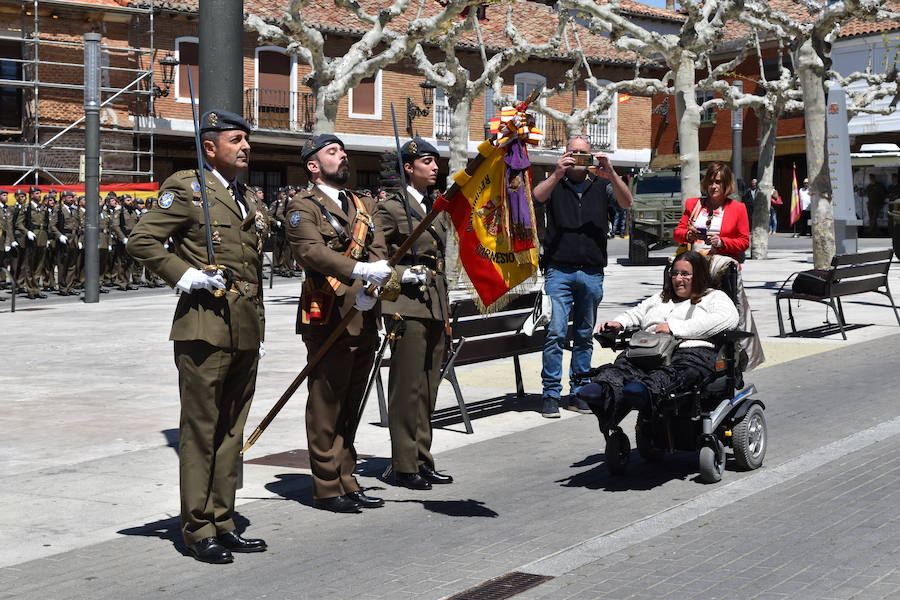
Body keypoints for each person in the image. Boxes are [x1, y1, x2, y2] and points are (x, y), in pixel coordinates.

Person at [127, 109, 267, 564]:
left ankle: (223, 519)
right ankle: (197, 526)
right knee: (201, 430)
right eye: (235, 139)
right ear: (210, 147)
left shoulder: (245, 195)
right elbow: (142, 241)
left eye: (247, 139)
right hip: (204, 325)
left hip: (245, 324)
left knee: (231, 429)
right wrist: (185, 276)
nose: (245, 146)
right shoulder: (187, 189)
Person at [286, 134, 391, 513]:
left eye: (343, 151)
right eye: (332, 152)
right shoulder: (304, 205)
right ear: (313, 165)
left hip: (365, 312)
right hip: (327, 312)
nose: (342, 155)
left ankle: (348, 476)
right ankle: (327, 485)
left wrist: (373, 284)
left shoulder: (362, 204)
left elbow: (378, 250)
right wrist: (359, 270)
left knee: (351, 402)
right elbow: (310, 251)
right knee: (326, 401)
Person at [532, 134, 633, 418]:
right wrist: (557, 173)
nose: (578, 157)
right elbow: (537, 198)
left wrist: (610, 172)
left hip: (591, 271)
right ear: (565, 154)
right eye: (573, 152)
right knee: (555, 333)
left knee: (584, 335)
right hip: (559, 270)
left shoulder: (601, 186)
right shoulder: (556, 183)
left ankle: (579, 391)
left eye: (582, 153)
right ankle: (551, 393)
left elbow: (627, 203)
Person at [374, 137, 453, 490]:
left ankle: (423, 457)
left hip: (434, 301)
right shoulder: (391, 208)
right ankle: (403, 464)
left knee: (428, 386)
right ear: (408, 168)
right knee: (406, 388)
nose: (434, 167)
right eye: (427, 161)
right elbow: (375, 259)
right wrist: (405, 274)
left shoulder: (436, 205)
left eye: (436, 161)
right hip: (405, 303)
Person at [584, 251, 739, 429]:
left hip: (691, 352)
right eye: (675, 273)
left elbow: (729, 319)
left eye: (685, 274)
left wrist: (675, 328)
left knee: (671, 374)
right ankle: (603, 390)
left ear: (699, 276)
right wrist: (619, 323)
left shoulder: (713, 297)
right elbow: (636, 313)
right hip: (651, 351)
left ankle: (645, 392)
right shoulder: (661, 298)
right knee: (623, 367)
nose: (678, 279)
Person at [673, 161, 749, 263]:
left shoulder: (738, 208)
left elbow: (744, 242)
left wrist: (721, 242)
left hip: (722, 266)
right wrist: (689, 235)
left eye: (718, 182)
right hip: (695, 264)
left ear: (726, 183)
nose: (713, 186)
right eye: (710, 182)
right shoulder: (693, 204)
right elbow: (677, 234)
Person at [50, 190, 80, 296]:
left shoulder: (75, 210)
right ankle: (63, 287)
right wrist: (59, 235)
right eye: (69, 197)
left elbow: (78, 224)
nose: (71, 199)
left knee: (72, 264)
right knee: (63, 264)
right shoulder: (58, 209)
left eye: (72, 197)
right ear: (63, 199)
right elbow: (52, 225)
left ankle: (70, 286)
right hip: (64, 237)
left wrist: (79, 239)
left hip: (74, 238)